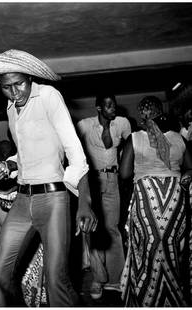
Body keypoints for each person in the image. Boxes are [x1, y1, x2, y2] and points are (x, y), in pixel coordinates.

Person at [0, 49, 97, 306]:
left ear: (29, 77)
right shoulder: (11, 109)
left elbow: (74, 150)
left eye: (19, 84)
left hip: (53, 199)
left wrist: (85, 202)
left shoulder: (49, 96)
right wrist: (8, 165)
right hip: (21, 200)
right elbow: (27, 153)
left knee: (55, 279)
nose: (15, 92)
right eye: (7, 87)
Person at [119, 95, 192, 306]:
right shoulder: (179, 139)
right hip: (175, 202)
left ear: (142, 114)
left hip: (147, 201)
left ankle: (146, 298)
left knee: (147, 250)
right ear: (161, 112)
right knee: (172, 250)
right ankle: (174, 299)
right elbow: (190, 167)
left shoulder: (134, 138)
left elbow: (124, 174)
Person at [77, 93, 131, 299]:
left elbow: (133, 144)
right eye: (108, 106)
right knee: (92, 230)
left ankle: (117, 280)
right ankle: (99, 279)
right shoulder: (85, 125)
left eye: (114, 105)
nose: (113, 109)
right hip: (92, 180)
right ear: (99, 108)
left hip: (113, 180)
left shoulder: (123, 123)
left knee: (113, 229)